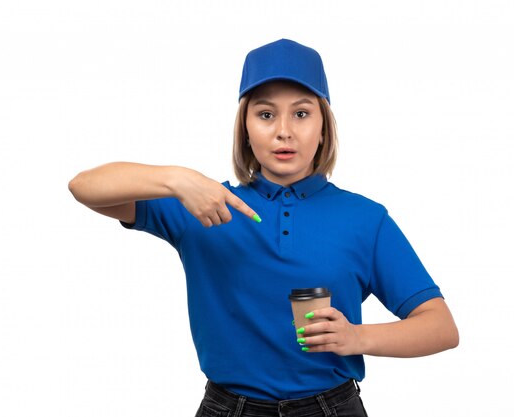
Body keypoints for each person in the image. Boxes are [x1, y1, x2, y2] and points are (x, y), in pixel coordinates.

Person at [69, 38, 459, 417]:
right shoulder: (202, 204)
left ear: (323, 128)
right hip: (227, 408)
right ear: (246, 128)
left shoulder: (364, 218)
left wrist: (359, 337)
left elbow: (440, 326)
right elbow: (84, 187)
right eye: (266, 114)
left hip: (332, 407)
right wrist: (175, 178)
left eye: (302, 113)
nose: (284, 131)